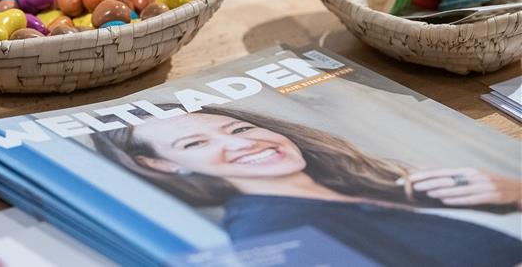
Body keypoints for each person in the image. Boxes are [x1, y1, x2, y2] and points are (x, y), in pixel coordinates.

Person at [91, 104, 522, 267]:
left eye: (238, 130)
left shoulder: (372, 181)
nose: (244, 144)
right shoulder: (271, 233)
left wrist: (517, 193)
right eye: (195, 142)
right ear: (161, 165)